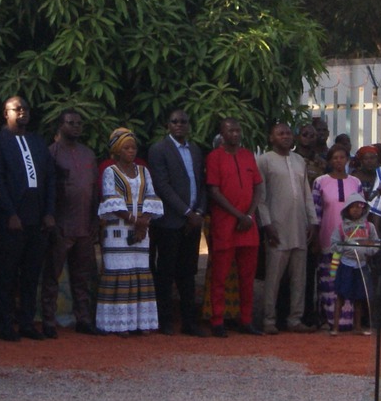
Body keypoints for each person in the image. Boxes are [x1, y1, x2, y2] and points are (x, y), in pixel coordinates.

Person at [0, 95, 54, 342]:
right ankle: (5, 325)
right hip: (11, 220)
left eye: (26, 108)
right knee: (6, 275)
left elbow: (48, 179)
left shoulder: (37, 141)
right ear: (6, 113)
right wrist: (10, 213)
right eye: (17, 109)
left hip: (37, 220)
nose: (23, 112)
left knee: (31, 274)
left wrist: (48, 212)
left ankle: (27, 322)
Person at [146, 109, 209, 337]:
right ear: (168, 125)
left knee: (188, 273)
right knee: (166, 273)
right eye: (175, 121)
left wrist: (199, 211)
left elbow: (202, 183)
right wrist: (186, 212)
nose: (180, 125)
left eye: (183, 121)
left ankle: (189, 323)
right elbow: (162, 186)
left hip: (193, 222)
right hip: (170, 222)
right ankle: (165, 321)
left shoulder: (195, 150)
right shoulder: (159, 149)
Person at [95, 128, 162, 334]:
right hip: (118, 232)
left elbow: (151, 195)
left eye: (133, 147)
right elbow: (112, 201)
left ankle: (140, 322)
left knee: (140, 271)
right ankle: (118, 323)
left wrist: (144, 222)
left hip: (141, 232)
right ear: (117, 150)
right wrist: (135, 220)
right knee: (120, 273)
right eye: (126, 148)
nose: (131, 151)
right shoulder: (111, 172)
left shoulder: (143, 171)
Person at [204, 117, 264, 337]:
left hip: (248, 225)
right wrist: (239, 215)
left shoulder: (248, 155)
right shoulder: (214, 157)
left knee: (247, 277)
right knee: (219, 276)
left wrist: (248, 214)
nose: (235, 134)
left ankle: (246, 319)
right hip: (225, 225)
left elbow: (258, 186)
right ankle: (217, 320)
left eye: (238, 130)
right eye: (230, 130)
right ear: (222, 133)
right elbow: (214, 191)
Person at [45, 109, 99, 336]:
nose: (75, 127)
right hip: (61, 225)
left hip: (85, 224)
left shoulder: (88, 154)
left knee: (82, 276)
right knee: (51, 275)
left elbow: (94, 189)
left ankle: (83, 319)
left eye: (79, 123)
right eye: (70, 123)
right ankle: (48, 322)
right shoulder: (51, 153)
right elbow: (48, 191)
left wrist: (95, 220)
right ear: (60, 125)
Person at [256, 122, 312, 335]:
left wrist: (312, 221)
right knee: (274, 277)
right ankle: (269, 320)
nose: (286, 136)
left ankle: (294, 319)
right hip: (277, 227)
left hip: (300, 225)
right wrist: (267, 224)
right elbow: (260, 197)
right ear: (271, 138)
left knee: (299, 277)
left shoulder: (299, 160)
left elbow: (306, 193)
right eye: (280, 133)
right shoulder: (265, 160)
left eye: (289, 133)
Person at [311, 144, 364, 331]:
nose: (338, 161)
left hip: (351, 240)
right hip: (328, 238)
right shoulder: (320, 182)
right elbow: (315, 213)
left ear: (347, 160)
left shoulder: (355, 182)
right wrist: (315, 237)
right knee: (329, 278)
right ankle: (328, 319)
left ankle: (347, 321)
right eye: (334, 158)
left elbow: (362, 210)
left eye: (342, 157)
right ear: (329, 161)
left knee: (349, 278)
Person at [330, 194, 379, 333]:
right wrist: (346, 247)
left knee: (359, 297)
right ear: (347, 209)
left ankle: (357, 327)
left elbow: (375, 244)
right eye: (353, 207)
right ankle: (335, 327)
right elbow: (333, 244)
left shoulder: (370, 227)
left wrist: (369, 250)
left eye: (359, 206)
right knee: (340, 295)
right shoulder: (341, 227)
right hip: (346, 264)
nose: (356, 210)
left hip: (362, 265)